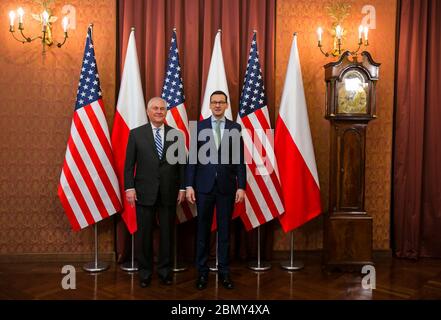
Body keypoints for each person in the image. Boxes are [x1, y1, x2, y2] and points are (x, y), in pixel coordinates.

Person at [186, 90, 246, 290]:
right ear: (210, 106)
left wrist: (242, 187)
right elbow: (192, 160)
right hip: (203, 188)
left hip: (226, 189)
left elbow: (239, 160)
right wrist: (189, 186)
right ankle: (202, 274)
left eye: (221, 102)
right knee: (202, 232)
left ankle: (224, 273)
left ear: (227, 105)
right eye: (214, 102)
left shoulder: (235, 128)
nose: (218, 105)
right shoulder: (199, 127)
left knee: (224, 233)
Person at [124, 97, 186, 288]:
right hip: (144, 192)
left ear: (166, 111)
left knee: (167, 235)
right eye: (155, 108)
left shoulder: (176, 134)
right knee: (145, 235)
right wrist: (129, 187)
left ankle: (165, 272)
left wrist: (182, 187)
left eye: (162, 108)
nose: (159, 111)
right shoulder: (136, 134)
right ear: (148, 111)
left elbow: (181, 166)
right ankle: (145, 273)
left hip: (169, 192)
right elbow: (129, 166)